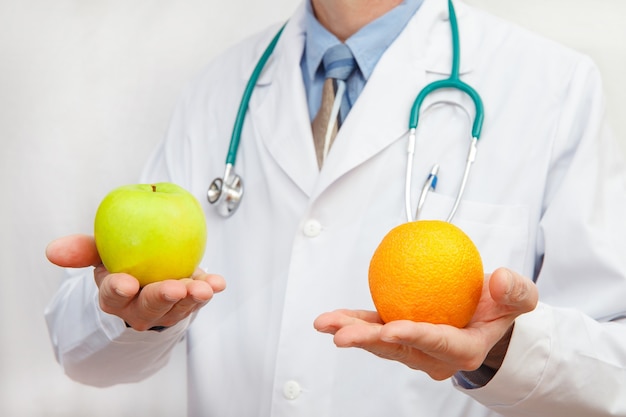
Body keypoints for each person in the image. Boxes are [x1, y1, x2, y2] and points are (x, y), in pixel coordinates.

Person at [45, 0, 626, 415]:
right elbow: (91, 364)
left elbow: (613, 372)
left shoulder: (551, 85)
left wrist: (502, 351)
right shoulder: (220, 89)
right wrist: (126, 317)